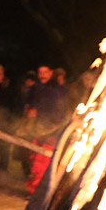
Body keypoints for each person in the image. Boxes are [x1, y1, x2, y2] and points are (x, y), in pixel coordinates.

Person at [23, 64, 69, 194]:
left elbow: (61, 113)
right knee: (35, 162)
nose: (42, 75)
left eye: (45, 72)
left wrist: (40, 113)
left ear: (51, 73)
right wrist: (29, 113)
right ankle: (35, 191)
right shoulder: (35, 89)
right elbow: (29, 106)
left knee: (43, 163)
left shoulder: (59, 90)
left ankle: (42, 191)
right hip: (37, 131)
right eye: (40, 72)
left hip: (52, 131)